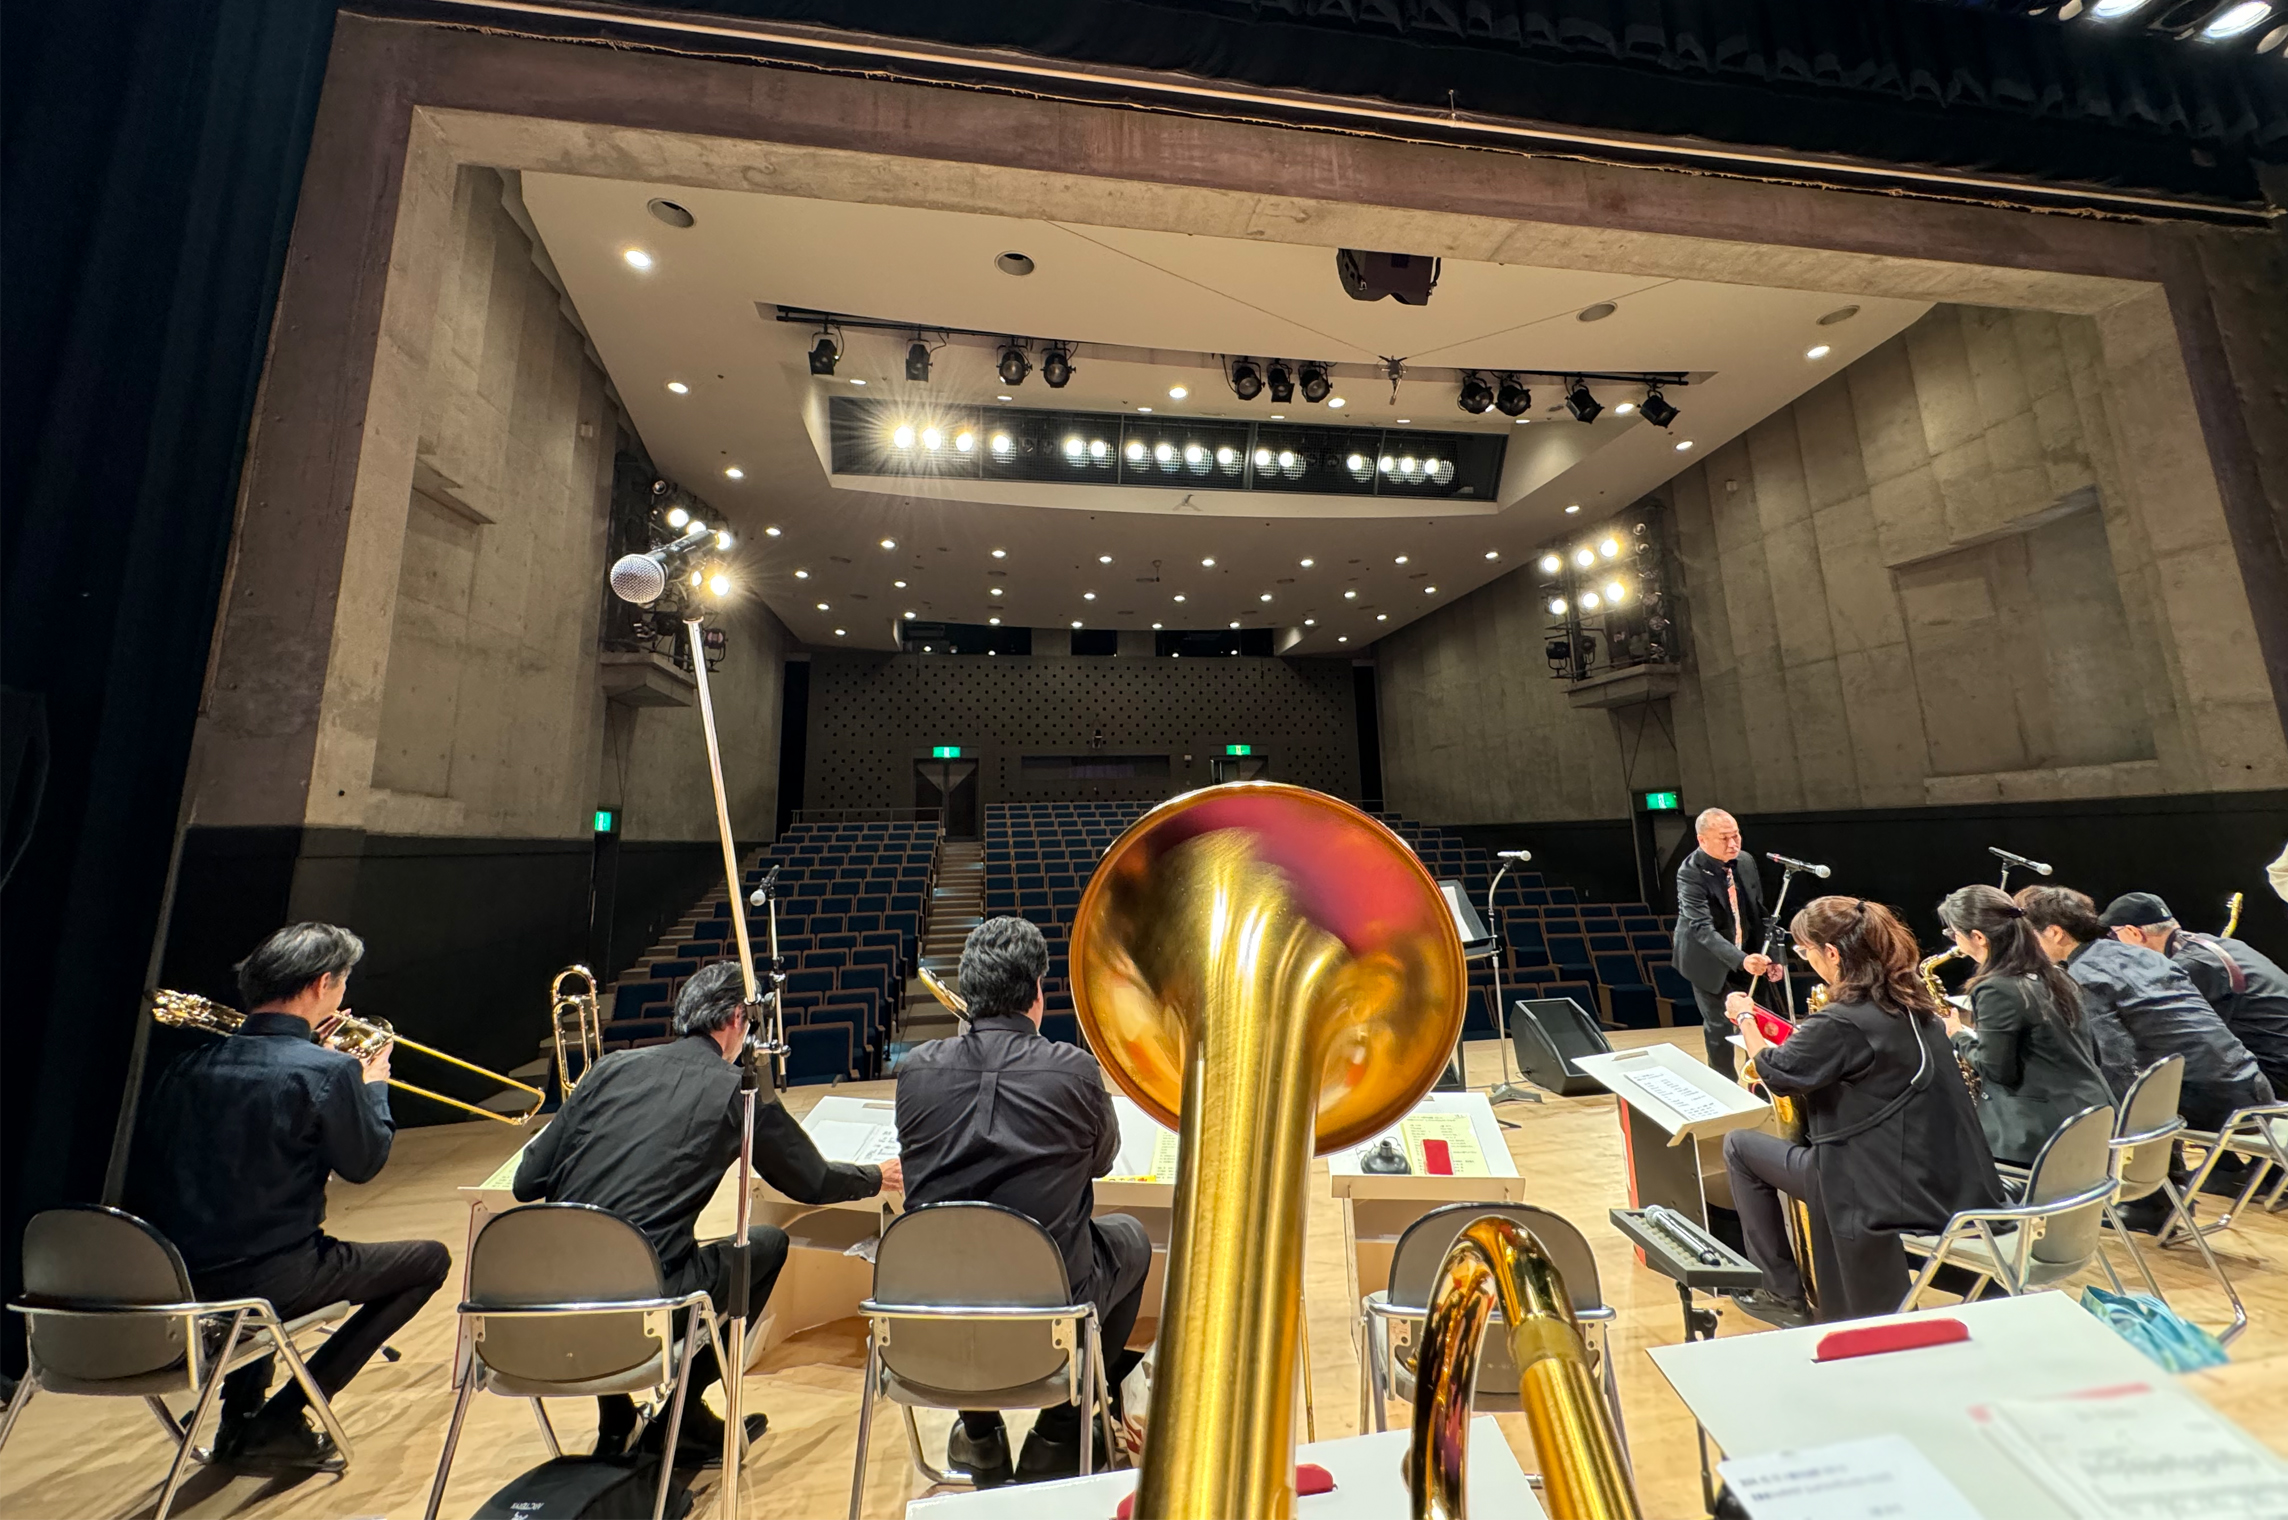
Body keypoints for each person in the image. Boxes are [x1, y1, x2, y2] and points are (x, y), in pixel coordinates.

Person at [513, 960, 899, 1460]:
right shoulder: (737, 1089)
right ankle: (683, 1413)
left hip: (543, 1310)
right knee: (765, 1245)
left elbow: (526, 1182)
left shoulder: (608, 1069)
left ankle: (618, 1417)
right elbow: (811, 1181)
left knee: (605, 1250)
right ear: (737, 1017)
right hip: (643, 1312)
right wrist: (876, 1176)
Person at [133, 923, 451, 1469]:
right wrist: (373, 1085)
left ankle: (239, 1416)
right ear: (323, 983)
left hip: (176, 1281)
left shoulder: (185, 1066)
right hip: (269, 1280)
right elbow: (364, 1164)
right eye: (342, 983)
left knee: (254, 1237)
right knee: (430, 1261)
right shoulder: (330, 1071)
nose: (343, 997)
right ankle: (283, 1416)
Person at [894, 917, 1151, 1486]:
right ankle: (1059, 1432)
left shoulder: (914, 1073)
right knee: (1131, 1239)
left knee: (962, 1259)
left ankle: (980, 1437)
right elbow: (1103, 1160)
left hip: (933, 1325)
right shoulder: (1074, 1071)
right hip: (1049, 1317)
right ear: (1037, 991)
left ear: (969, 993)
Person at [1720, 897, 2001, 1326]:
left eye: (1806, 952)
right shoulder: (1918, 1006)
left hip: (1875, 1184)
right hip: (1947, 1177)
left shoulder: (1841, 1020)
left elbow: (1774, 1072)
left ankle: (1780, 1293)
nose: (1809, 961)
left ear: (1832, 953)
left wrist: (1745, 1018)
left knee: (1739, 1146)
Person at [2017, 886, 2274, 1229]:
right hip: (2253, 1086)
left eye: (2031, 935)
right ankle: (2165, 1193)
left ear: (2054, 932)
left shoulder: (2085, 976)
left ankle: (2149, 1202)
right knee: (2150, 1084)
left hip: (2216, 1103)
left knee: (2103, 1095)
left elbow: (2116, 1062)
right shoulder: (2142, 955)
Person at [1936, 886, 2113, 1168]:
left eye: (1953, 933)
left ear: (1978, 937)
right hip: (2091, 1119)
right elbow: (2093, 1053)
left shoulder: (1996, 988)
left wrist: (1956, 1034)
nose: (1954, 941)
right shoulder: (2057, 975)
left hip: (2040, 1138)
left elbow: (1998, 1071)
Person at [2099, 891, 2288, 1095]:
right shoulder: (2221, 945)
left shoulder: (2187, 968)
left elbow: (2164, 1037)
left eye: (2114, 935)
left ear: (2134, 932)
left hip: (2276, 1073)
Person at [1673, 808, 1780, 1079]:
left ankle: (1761, 1086)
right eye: (1724, 838)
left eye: (1736, 836)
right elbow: (1701, 929)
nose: (1733, 844)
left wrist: (1774, 957)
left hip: (1747, 953)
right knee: (1720, 1027)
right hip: (1707, 958)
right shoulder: (1690, 873)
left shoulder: (1745, 861)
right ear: (1702, 840)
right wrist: (1741, 960)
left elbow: (1759, 913)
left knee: (1759, 1020)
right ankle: (1725, 1086)